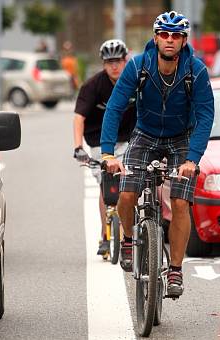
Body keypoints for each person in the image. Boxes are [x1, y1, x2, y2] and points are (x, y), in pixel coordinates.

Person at [100, 11, 214, 297]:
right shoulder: (138, 66)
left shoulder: (196, 71)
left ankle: (175, 270)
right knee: (126, 194)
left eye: (176, 36)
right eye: (164, 34)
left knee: (179, 202)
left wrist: (193, 160)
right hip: (145, 134)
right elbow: (114, 108)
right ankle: (128, 239)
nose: (170, 40)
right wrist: (107, 153)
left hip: (181, 138)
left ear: (184, 40)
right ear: (156, 37)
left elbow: (205, 115)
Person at [72, 39, 136, 256]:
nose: (114, 66)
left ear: (126, 60)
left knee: (129, 183)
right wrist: (78, 147)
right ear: (103, 64)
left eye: (118, 61)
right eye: (109, 62)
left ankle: (131, 230)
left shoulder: (135, 82)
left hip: (129, 140)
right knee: (106, 184)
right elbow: (79, 117)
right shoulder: (92, 86)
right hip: (99, 142)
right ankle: (106, 234)